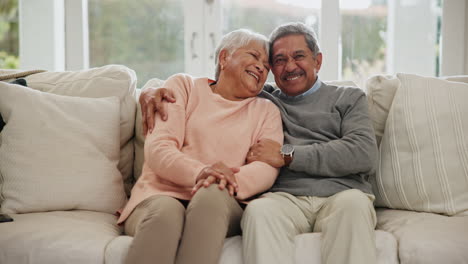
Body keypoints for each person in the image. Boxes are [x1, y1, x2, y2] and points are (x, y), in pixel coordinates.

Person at [141, 22, 378, 264]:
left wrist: (288, 154)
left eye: (299, 56)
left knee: (354, 207)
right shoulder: (264, 98)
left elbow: (363, 153)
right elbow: (222, 86)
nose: (290, 66)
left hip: (342, 194)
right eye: (279, 60)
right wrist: (151, 91)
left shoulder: (348, 98)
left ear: (317, 61)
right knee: (258, 211)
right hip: (284, 198)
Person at [117, 28, 283, 264]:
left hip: (223, 199)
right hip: (160, 194)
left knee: (210, 195)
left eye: (266, 66)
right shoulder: (184, 87)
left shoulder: (266, 111)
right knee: (166, 214)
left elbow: (266, 167)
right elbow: (159, 149)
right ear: (224, 58)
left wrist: (224, 181)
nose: (261, 67)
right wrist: (200, 172)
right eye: (254, 56)